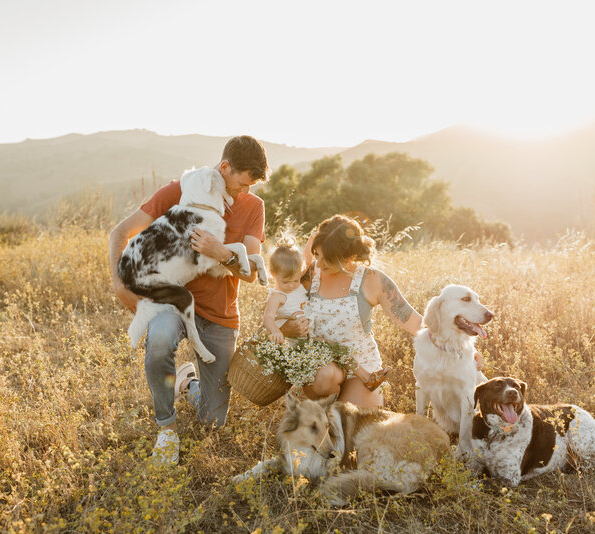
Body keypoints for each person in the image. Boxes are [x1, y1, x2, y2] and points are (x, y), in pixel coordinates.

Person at [109, 135, 269, 464]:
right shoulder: (178, 190)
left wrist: (220, 252)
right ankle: (166, 430)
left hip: (219, 314)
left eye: (250, 186)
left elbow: (250, 273)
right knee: (159, 343)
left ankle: (189, 383)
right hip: (171, 301)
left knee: (212, 422)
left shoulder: (253, 207)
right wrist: (119, 283)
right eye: (241, 184)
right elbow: (119, 233)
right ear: (224, 167)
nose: (245, 193)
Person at [283, 215, 418, 407]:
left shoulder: (372, 280)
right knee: (324, 379)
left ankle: (337, 412)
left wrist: (463, 348)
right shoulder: (310, 275)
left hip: (362, 368)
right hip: (323, 366)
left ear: (349, 257)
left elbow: (414, 322)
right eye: (317, 256)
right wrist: (288, 329)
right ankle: (325, 413)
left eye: (327, 259)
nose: (319, 264)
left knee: (356, 427)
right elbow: (279, 306)